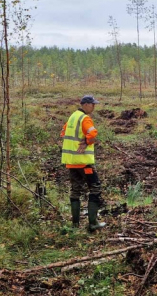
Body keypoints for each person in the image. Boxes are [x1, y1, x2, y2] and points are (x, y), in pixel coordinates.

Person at [61, 95, 106, 232]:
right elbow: (92, 134)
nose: (94, 107)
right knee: (95, 187)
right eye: (92, 104)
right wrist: (86, 141)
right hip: (83, 163)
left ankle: (75, 225)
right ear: (85, 104)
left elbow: (63, 133)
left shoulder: (73, 117)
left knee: (76, 190)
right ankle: (93, 223)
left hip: (71, 162)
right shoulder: (85, 118)